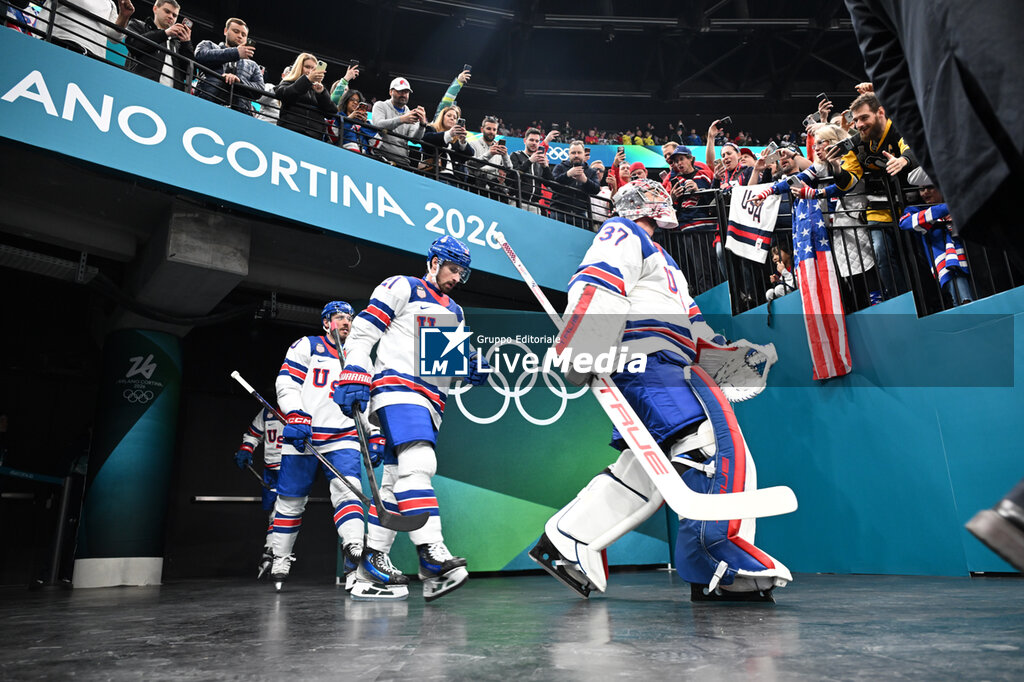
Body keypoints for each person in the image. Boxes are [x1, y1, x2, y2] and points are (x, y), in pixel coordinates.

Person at [529, 179, 791, 602]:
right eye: (651, 193)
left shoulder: (666, 261)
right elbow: (598, 282)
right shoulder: (623, 230)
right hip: (646, 360)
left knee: (650, 472)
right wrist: (584, 349)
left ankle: (569, 538)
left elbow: (692, 326)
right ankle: (711, 558)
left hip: (667, 362)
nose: (660, 198)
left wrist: (725, 358)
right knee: (706, 447)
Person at [332, 236, 490, 601]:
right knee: (420, 463)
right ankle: (431, 554)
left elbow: (441, 362)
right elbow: (364, 331)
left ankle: (371, 564)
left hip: (431, 400)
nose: (456, 277)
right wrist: (355, 371)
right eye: (453, 268)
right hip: (397, 388)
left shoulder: (455, 309)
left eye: (462, 273)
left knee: (391, 481)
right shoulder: (401, 286)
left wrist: (468, 367)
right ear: (434, 262)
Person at [269, 301, 386, 591]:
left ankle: (355, 556)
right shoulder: (306, 346)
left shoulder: (361, 358)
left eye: (349, 318)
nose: (346, 322)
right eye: (339, 318)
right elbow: (286, 383)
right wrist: (295, 413)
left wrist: (372, 433)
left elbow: (366, 402)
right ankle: (280, 558)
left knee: (349, 494)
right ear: (326, 323)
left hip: (343, 435)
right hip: (304, 433)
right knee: (291, 501)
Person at [822, 92, 916, 301]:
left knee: (914, 257)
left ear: (880, 112)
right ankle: (899, 302)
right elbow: (849, 181)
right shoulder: (854, 143)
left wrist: (903, 161)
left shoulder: (897, 127)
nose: (859, 124)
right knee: (882, 254)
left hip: (911, 204)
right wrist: (837, 167)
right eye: (855, 120)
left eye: (864, 118)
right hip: (877, 208)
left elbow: (912, 148)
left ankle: (928, 301)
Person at [899, 168, 974, 306]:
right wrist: (947, 208)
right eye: (921, 190)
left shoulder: (958, 200)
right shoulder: (917, 209)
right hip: (948, 265)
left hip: (974, 259)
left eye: (929, 187)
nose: (925, 193)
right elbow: (904, 223)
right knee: (963, 302)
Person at [233, 406, 284, 579]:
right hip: (271, 470)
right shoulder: (266, 412)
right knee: (274, 512)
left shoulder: (301, 407)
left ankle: (273, 552)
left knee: (283, 510)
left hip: (292, 467)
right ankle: (272, 553)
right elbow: (253, 434)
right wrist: (246, 449)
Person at [194, 17, 265, 115]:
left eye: (243, 35)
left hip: (238, 115)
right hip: (204, 106)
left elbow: (260, 90)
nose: (240, 36)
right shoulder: (209, 45)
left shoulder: (253, 65)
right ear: (225, 31)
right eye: (236, 31)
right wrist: (236, 53)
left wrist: (239, 81)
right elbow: (200, 55)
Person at [125, 0, 194, 91]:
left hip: (171, 97)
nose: (170, 16)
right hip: (140, 88)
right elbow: (133, 46)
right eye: (167, 11)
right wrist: (165, 33)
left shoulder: (178, 44)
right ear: (155, 9)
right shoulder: (138, 25)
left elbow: (190, 74)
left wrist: (186, 43)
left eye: (174, 15)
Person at [39, 0, 135, 58]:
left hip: (93, 55)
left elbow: (114, 37)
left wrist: (124, 15)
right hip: (60, 42)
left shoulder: (109, 3)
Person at [274, 52, 336, 139]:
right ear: (299, 67)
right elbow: (282, 94)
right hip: (290, 131)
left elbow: (332, 112)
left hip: (314, 137)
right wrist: (307, 80)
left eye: (313, 68)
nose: (310, 71)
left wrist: (321, 93)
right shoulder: (288, 82)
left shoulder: (318, 88)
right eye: (307, 67)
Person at [371, 76, 428, 167]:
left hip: (402, 160)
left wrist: (422, 125)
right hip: (380, 156)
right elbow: (378, 125)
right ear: (391, 92)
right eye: (400, 91)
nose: (403, 95)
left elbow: (415, 140)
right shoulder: (380, 105)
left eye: (406, 92)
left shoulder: (411, 114)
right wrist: (401, 119)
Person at [551, 140, 600, 228]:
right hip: (559, 211)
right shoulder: (560, 167)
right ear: (569, 154)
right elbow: (552, 184)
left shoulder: (591, 171)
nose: (576, 155)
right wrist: (567, 175)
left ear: (584, 154)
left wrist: (585, 180)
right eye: (573, 153)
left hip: (580, 214)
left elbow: (596, 189)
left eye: (579, 152)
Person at [419, 105, 472, 184]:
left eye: (455, 117)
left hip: (455, 180)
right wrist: (449, 134)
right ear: (442, 117)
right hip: (435, 175)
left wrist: (462, 141)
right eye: (449, 115)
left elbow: (470, 153)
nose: (452, 118)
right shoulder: (431, 129)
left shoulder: (456, 139)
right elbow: (426, 139)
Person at [509, 127, 556, 215]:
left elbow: (550, 184)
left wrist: (545, 167)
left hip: (535, 205)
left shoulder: (540, 161)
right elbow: (513, 176)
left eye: (537, 141)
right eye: (531, 140)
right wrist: (530, 161)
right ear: (525, 141)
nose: (534, 143)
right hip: (517, 200)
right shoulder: (515, 155)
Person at [335, 89, 380, 154]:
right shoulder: (339, 116)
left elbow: (377, 144)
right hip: (343, 153)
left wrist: (364, 124)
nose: (355, 102)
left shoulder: (366, 123)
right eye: (352, 100)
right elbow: (332, 136)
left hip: (363, 158)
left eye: (358, 101)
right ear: (346, 101)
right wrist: (349, 119)